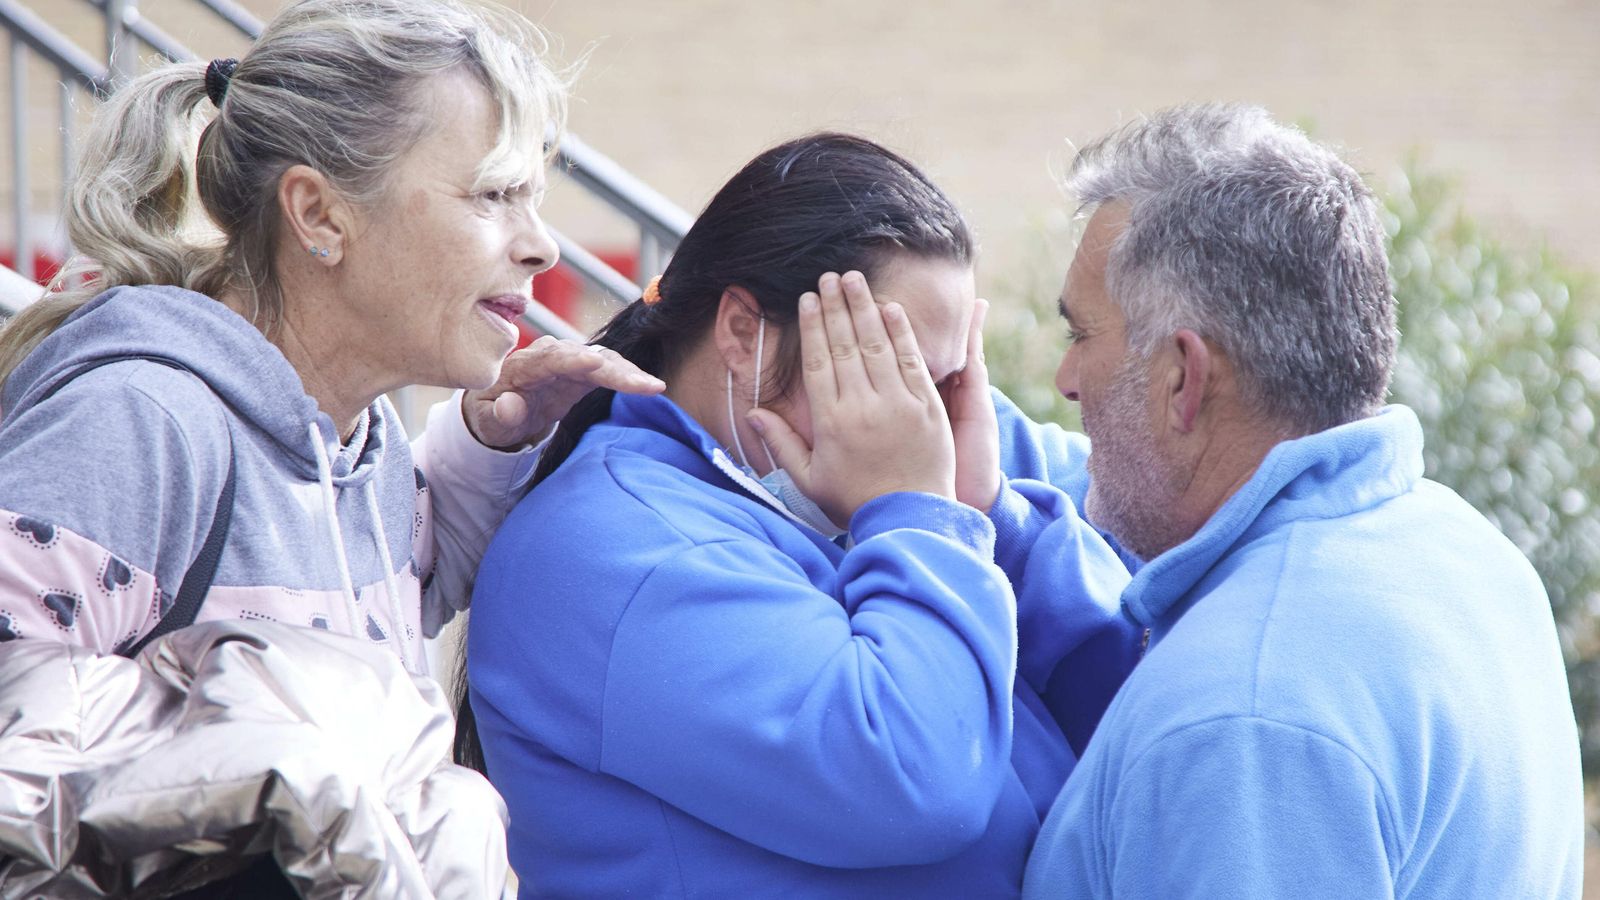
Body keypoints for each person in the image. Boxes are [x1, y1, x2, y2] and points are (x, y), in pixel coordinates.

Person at [0, 0, 659, 892]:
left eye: (532, 197)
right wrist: (280, 773)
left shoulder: (360, 441)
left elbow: (354, 605)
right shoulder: (138, 422)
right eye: (495, 195)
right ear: (318, 214)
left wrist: (490, 440)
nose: (540, 246)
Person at [465, 133, 1141, 897]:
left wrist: (992, 516)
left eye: (946, 382)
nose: (922, 421)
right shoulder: (607, 554)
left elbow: (1144, 682)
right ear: (744, 331)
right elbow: (917, 781)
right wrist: (918, 518)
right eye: (888, 371)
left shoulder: (928, 449)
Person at [1020, 103, 1583, 898]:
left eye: (1080, 337)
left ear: (1182, 377)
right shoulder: (1462, 550)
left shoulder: (1241, 721)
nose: (1066, 382)